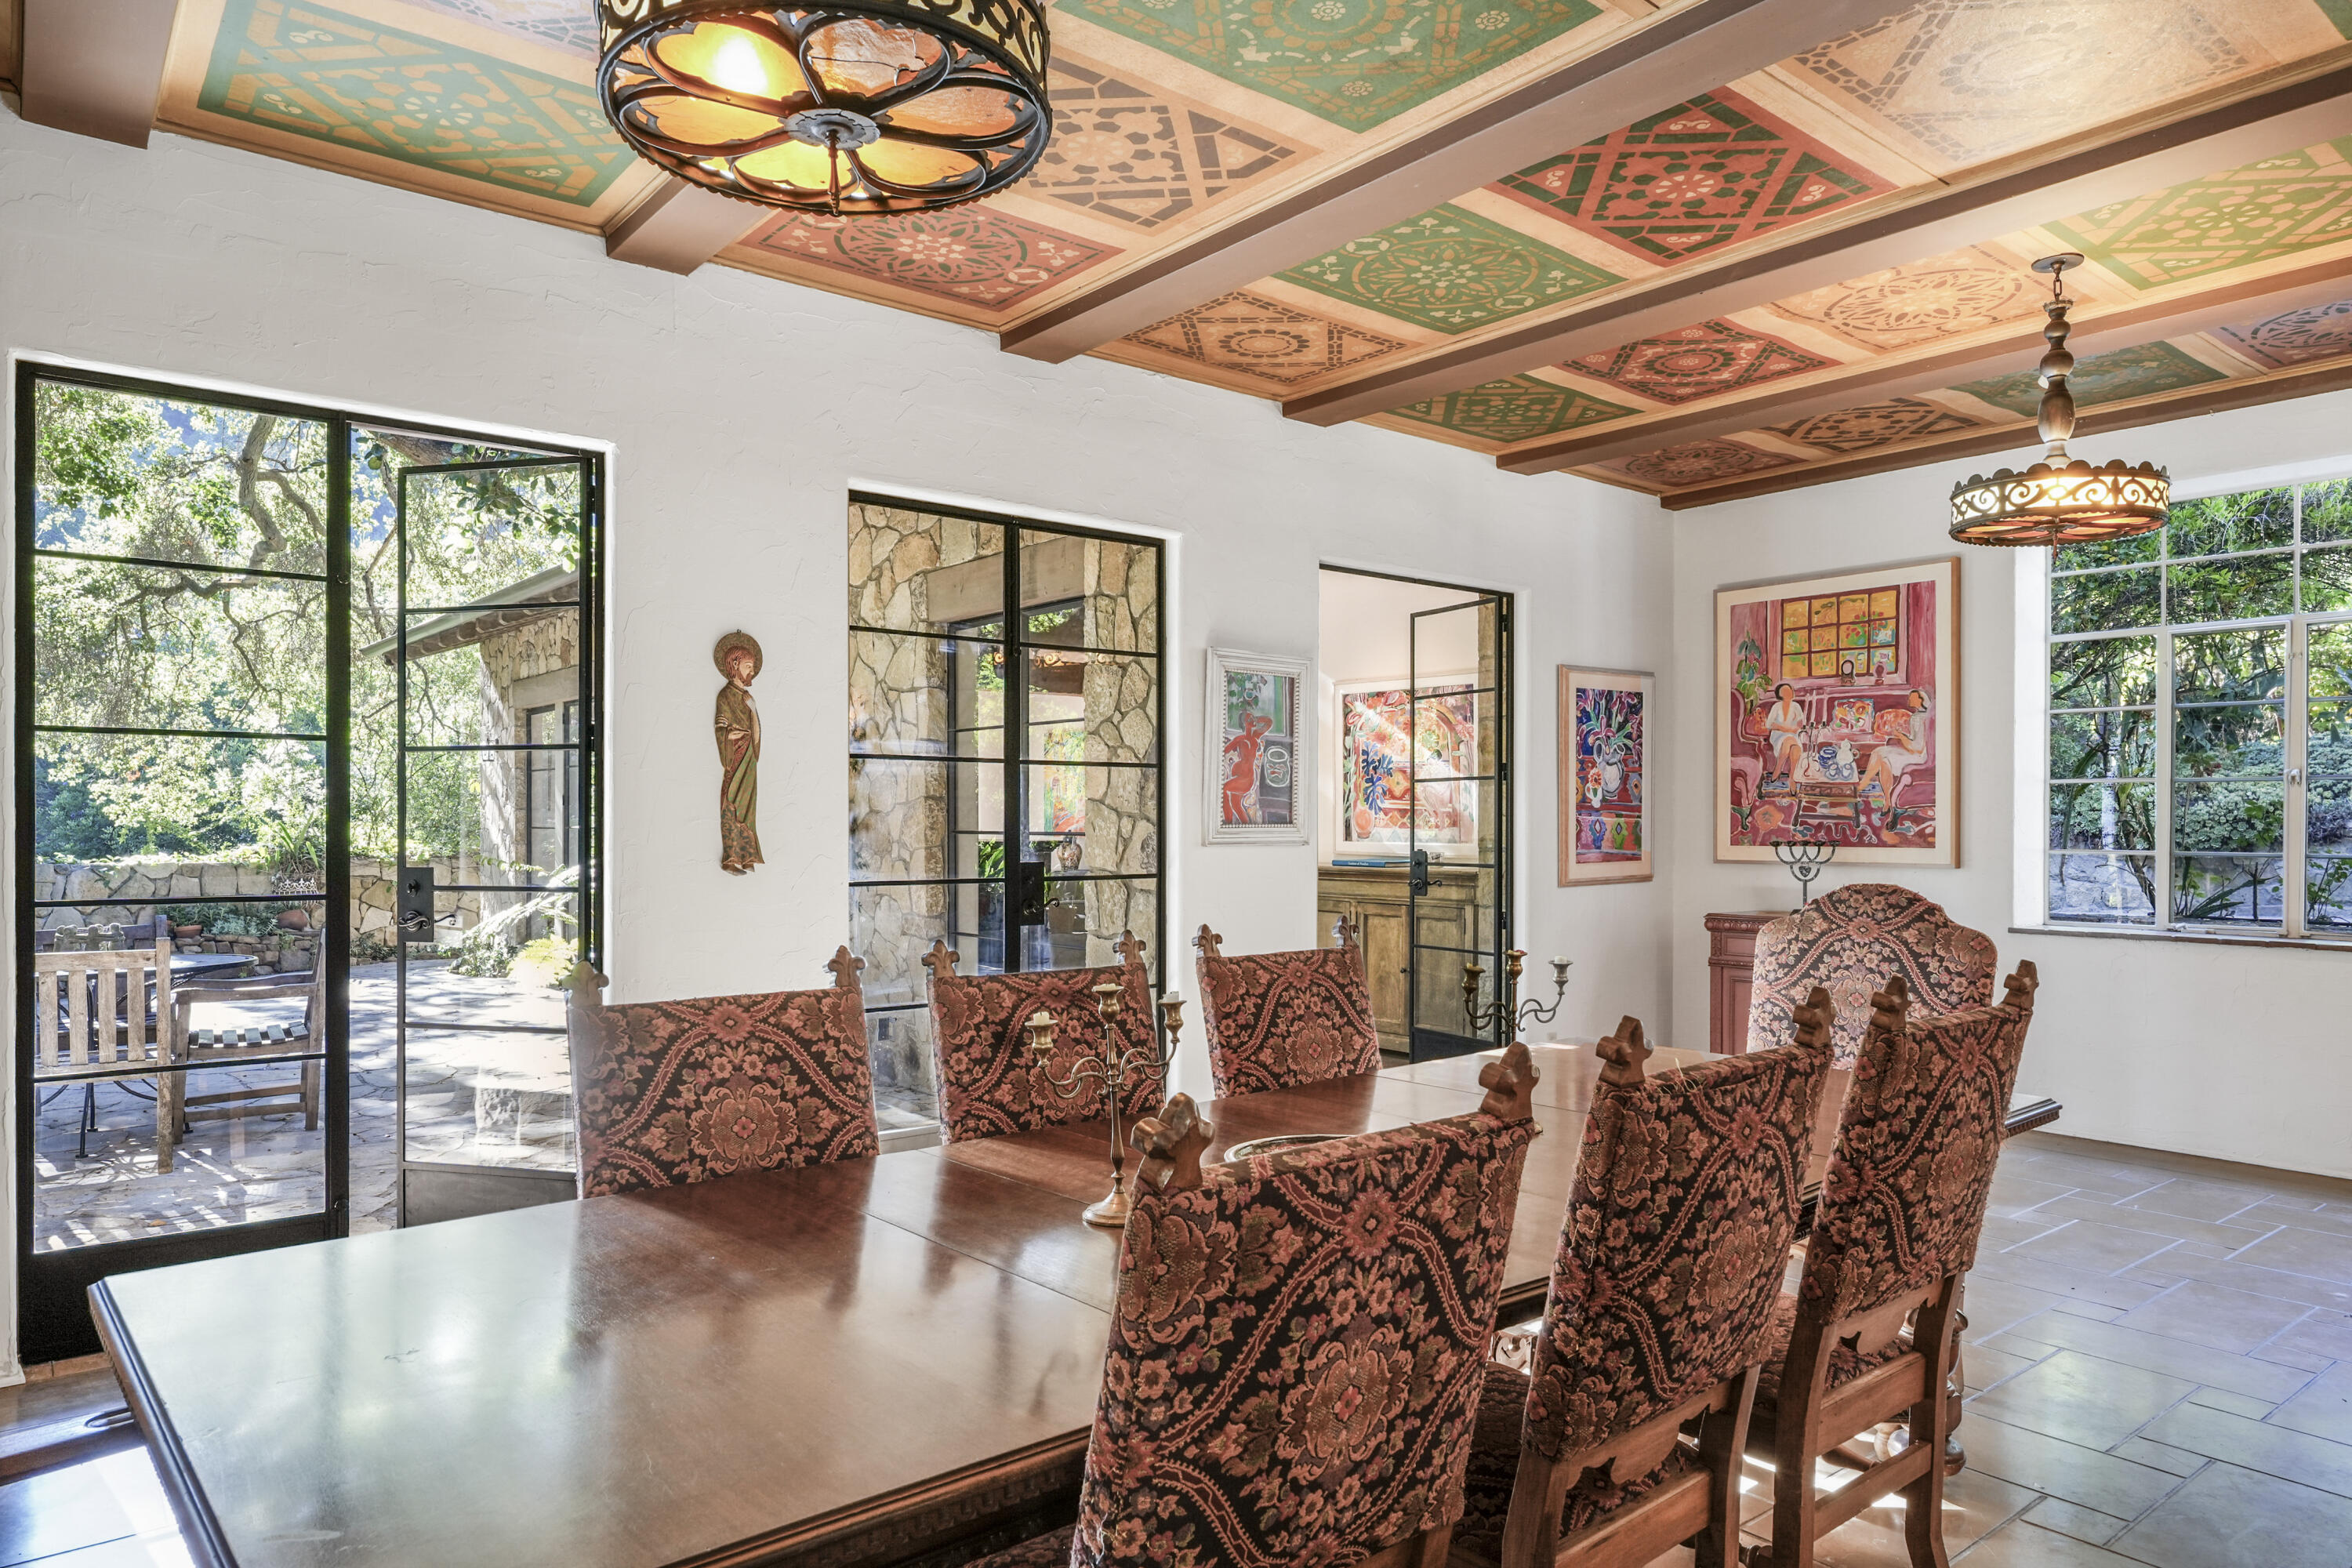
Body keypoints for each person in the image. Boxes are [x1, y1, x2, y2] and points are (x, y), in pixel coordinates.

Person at [713, 632, 764, 875]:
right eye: (748, 667)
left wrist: (753, 711)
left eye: (753, 668)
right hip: (735, 760)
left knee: (748, 809)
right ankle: (730, 857)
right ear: (735, 666)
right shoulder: (725, 696)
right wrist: (728, 737)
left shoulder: (748, 698)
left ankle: (747, 856)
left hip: (749, 761)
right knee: (731, 805)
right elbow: (721, 727)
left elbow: (756, 734)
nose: (752, 672)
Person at [1860, 689, 1931, 811]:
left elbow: (1918, 749)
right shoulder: (1918, 716)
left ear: (1921, 700)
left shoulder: (1919, 718)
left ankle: (1885, 799)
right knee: (1878, 752)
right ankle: (1868, 785)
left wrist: (1901, 736)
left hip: (1920, 758)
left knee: (1885, 761)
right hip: (1914, 752)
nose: (1909, 700)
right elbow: (1915, 741)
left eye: (1912, 697)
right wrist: (1902, 737)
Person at [1221, 711, 1272, 825]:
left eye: (1253, 718)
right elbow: (1224, 751)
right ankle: (1247, 825)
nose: (1253, 721)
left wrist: (1256, 719)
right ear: (1244, 724)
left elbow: (1269, 722)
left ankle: (1227, 823)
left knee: (1224, 789)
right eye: (1249, 720)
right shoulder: (1240, 739)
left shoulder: (1256, 737)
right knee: (1236, 805)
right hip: (1239, 775)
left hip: (1247, 779)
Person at [1762, 681, 1807, 787]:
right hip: (1778, 735)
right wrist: (1785, 729)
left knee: (1795, 748)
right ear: (1780, 694)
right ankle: (1786, 775)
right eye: (1785, 691)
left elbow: (1800, 724)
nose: (1789, 692)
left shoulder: (1796, 706)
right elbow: (1770, 724)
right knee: (1789, 740)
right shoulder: (1776, 706)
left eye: (1790, 690)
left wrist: (1794, 729)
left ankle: (1789, 775)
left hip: (1793, 734)